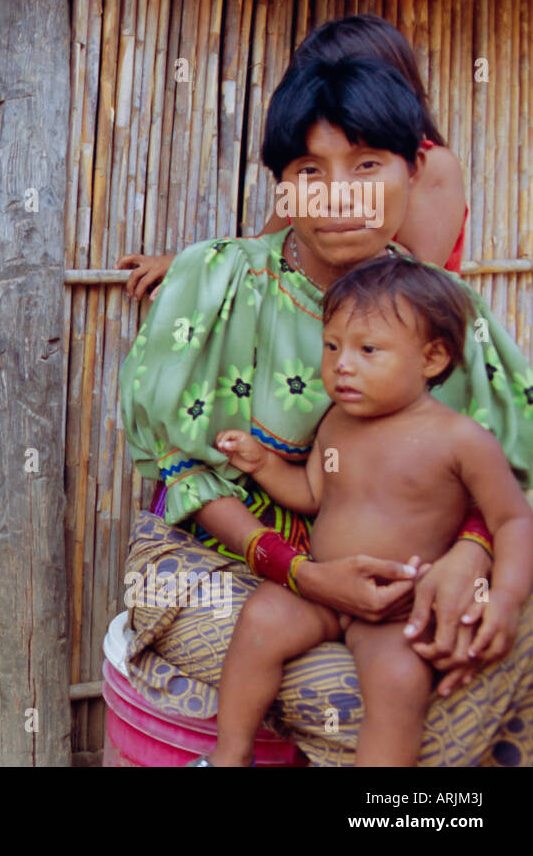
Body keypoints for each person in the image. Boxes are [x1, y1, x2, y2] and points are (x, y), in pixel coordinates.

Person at [117, 55, 533, 766]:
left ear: (413, 172)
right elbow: (188, 465)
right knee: (350, 699)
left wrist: (472, 555)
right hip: (213, 564)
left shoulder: (443, 309)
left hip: (401, 583)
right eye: (310, 171)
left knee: (487, 648)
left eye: (369, 166)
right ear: (284, 187)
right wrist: (303, 572)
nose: (340, 196)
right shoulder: (218, 280)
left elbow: (510, 471)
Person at [193, 257, 533, 766]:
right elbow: (312, 494)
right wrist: (262, 464)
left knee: (398, 684)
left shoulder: (461, 440)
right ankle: (230, 755)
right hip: (323, 586)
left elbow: (512, 519)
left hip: (399, 606)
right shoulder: (336, 423)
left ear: (433, 358)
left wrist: (503, 600)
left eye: (367, 350)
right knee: (259, 621)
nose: (341, 365)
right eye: (332, 347)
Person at [117, 15, 468, 299]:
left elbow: (420, 280)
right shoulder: (307, 176)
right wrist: (187, 265)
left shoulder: (432, 164)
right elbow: (265, 246)